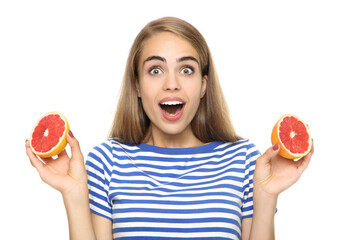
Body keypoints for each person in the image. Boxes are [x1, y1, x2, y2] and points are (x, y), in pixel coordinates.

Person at [26, 17, 314, 240]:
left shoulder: (244, 161)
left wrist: (266, 196)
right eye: (155, 69)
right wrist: (74, 193)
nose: (172, 83)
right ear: (137, 85)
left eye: (186, 69)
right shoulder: (107, 160)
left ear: (203, 85)